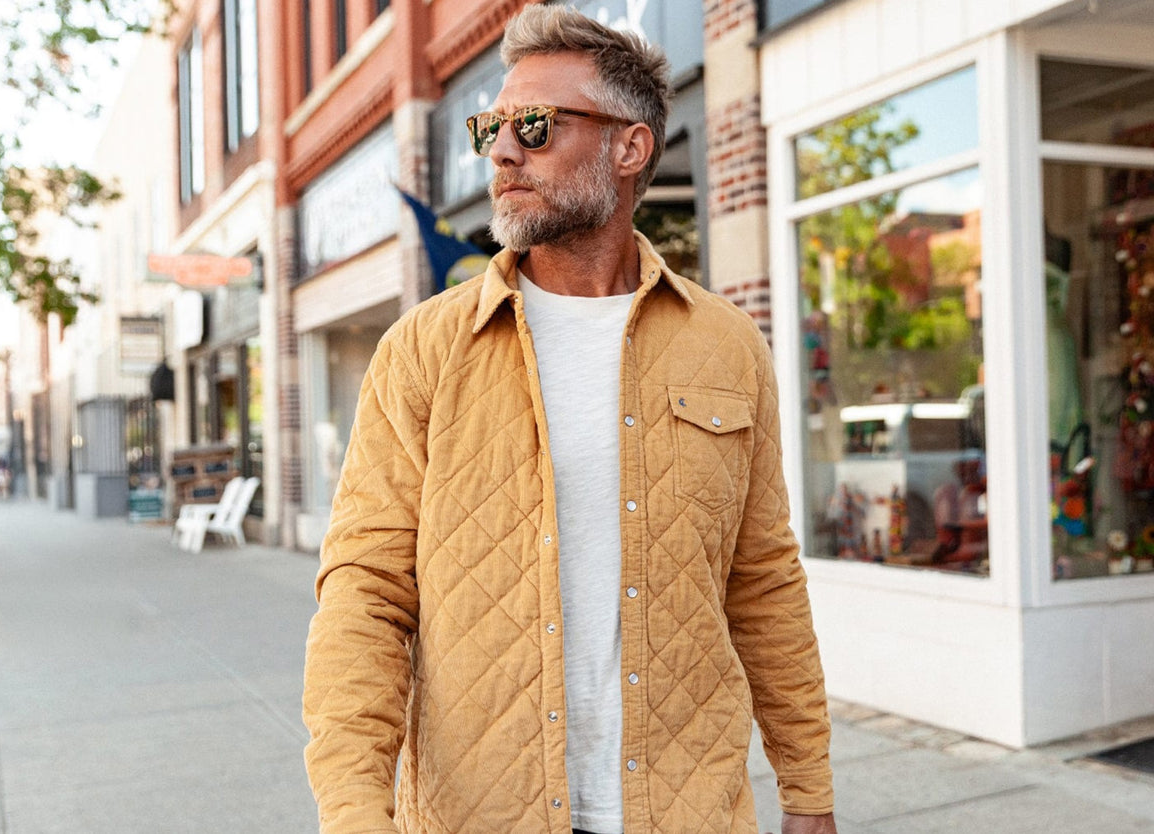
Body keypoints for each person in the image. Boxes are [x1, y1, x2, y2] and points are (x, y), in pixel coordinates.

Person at [302, 7, 838, 833]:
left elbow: (762, 580)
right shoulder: (425, 351)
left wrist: (809, 791)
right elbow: (365, 596)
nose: (503, 150)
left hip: (685, 810)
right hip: (481, 814)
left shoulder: (728, 347)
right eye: (492, 126)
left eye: (536, 125)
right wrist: (353, 814)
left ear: (629, 148)